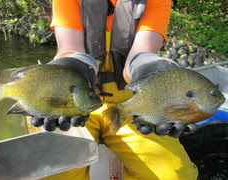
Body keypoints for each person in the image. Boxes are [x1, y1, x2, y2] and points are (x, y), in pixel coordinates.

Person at [36, 0, 198, 179]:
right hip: (78, 101)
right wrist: (69, 68)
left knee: (175, 174)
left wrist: (150, 69)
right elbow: (69, 49)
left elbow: (141, 53)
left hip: (133, 105)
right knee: (52, 171)